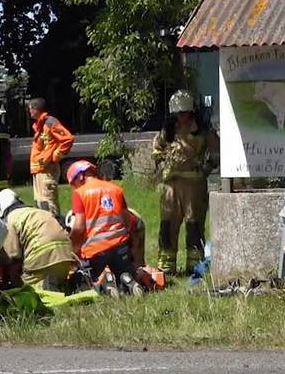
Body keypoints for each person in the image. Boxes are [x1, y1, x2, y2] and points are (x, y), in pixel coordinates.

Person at [150, 90, 218, 274]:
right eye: (179, 114)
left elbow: (216, 152)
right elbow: (156, 148)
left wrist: (205, 168)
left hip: (194, 185)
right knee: (167, 225)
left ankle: (194, 265)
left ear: (192, 111)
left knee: (194, 223)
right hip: (171, 185)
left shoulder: (203, 130)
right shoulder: (169, 130)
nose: (183, 117)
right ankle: (166, 266)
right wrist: (161, 161)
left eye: (185, 113)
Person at [67, 160, 144, 288]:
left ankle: (103, 283)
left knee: (86, 284)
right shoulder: (116, 189)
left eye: (74, 183)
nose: (75, 187)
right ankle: (127, 280)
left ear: (80, 176)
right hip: (121, 248)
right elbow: (128, 222)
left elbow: (79, 227)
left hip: (96, 252)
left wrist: (74, 250)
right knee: (123, 277)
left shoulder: (80, 193)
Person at [0, 189, 77, 291]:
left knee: (24, 290)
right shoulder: (39, 212)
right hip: (65, 256)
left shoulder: (10, 219)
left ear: (0, 209)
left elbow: (13, 254)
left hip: (42, 259)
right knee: (58, 283)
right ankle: (60, 285)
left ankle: (45, 287)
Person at [27, 98, 73, 216]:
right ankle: (46, 229)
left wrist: (56, 156)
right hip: (39, 170)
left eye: (30, 108)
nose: (29, 111)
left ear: (36, 109)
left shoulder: (50, 122)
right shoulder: (39, 125)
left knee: (49, 202)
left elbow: (68, 139)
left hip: (47, 170)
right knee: (40, 202)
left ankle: (56, 228)